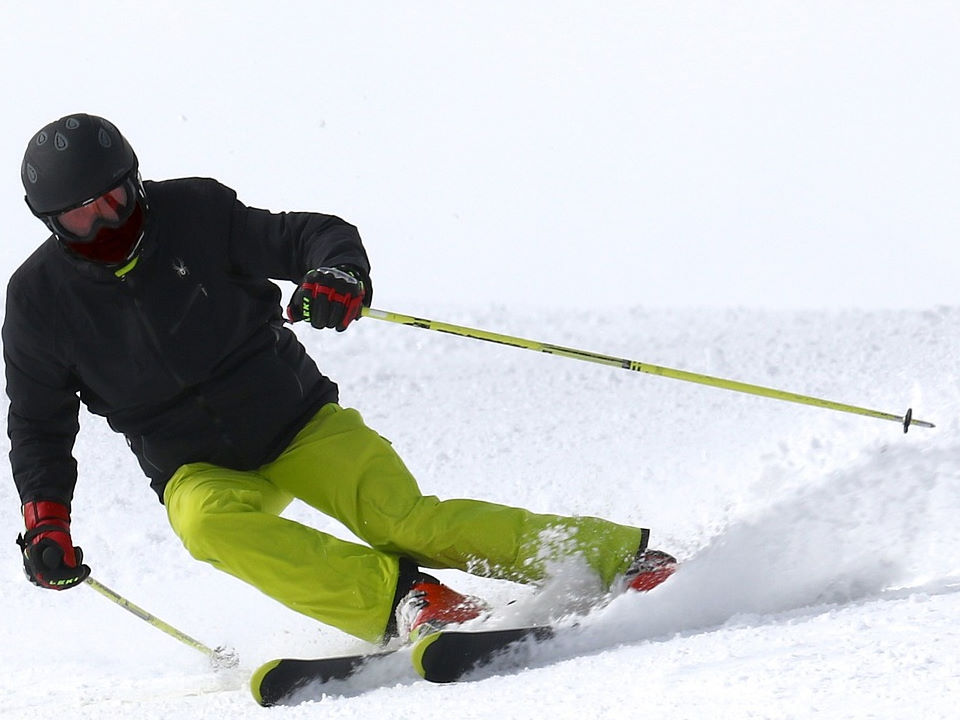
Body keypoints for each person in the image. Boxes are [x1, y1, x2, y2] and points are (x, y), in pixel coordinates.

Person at [5, 113, 676, 645]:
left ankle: (613, 558)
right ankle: (409, 600)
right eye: (80, 215)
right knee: (205, 525)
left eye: (114, 198)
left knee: (407, 522)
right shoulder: (38, 302)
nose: (105, 221)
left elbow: (311, 236)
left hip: (296, 422)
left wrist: (337, 273)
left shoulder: (196, 214)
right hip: (194, 466)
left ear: (135, 180)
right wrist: (46, 523)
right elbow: (38, 423)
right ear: (51, 222)